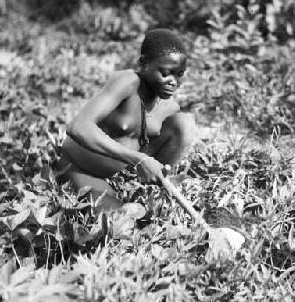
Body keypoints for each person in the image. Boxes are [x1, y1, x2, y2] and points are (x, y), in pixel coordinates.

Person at [57, 28, 196, 210]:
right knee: (120, 224)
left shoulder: (170, 107)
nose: (174, 81)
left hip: (120, 177)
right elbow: (78, 127)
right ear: (144, 63)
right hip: (81, 169)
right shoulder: (127, 82)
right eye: (166, 73)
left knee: (184, 124)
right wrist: (138, 159)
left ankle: (145, 191)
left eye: (179, 74)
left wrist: (152, 170)